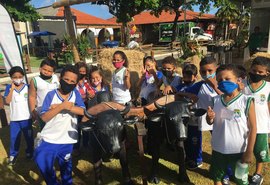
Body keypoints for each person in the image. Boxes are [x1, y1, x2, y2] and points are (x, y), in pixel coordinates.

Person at [34, 65, 85, 185]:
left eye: (73, 81)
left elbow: (82, 111)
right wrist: (61, 106)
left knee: (66, 166)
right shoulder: (51, 95)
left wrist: (65, 106)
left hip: (67, 139)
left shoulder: (75, 94)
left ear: (76, 83)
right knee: (41, 160)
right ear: (60, 78)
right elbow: (45, 117)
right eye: (66, 79)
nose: (69, 83)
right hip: (49, 138)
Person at [206, 64, 257, 185]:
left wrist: (249, 151)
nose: (223, 82)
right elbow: (210, 122)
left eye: (227, 79)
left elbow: (253, 128)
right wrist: (209, 118)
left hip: (238, 149)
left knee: (241, 180)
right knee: (217, 177)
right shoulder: (215, 100)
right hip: (218, 148)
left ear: (238, 80)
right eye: (219, 80)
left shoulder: (246, 100)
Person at [183, 56, 222, 170]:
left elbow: (228, 98)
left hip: (219, 118)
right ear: (200, 72)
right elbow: (183, 92)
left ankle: (222, 165)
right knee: (195, 138)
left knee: (219, 142)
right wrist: (190, 96)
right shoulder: (199, 85)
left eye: (210, 71)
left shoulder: (222, 84)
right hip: (202, 116)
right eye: (204, 71)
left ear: (216, 70)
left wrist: (215, 86)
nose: (207, 74)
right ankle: (196, 159)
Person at [242, 57, 270, 185]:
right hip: (243, 126)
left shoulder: (268, 87)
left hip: (262, 126)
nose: (256, 74)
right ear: (250, 69)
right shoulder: (242, 84)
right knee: (242, 149)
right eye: (254, 71)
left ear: (267, 73)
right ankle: (242, 170)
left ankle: (258, 173)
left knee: (260, 151)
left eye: (260, 72)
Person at [4, 66, 34, 165]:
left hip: (27, 118)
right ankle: (13, 155)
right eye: (15, 77)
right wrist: (12, 89)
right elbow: (7, 101)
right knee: (14, 138)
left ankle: (30, 152)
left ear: (23, 76)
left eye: (20, 76)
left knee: (29, 137)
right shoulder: (9, 87)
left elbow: (32, 101)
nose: (18, 79)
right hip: (14, 119)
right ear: (11, 78)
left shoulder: (28, 87)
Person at [29, 58, 59, 131]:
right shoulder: (35, 80)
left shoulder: (56, 78)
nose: (46, 72)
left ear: (53, 72)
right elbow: (32, 96)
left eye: (49, 71)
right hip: (43, 111)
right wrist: (33, 110)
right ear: (40, 68)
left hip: (57, 110)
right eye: (44, 69)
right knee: (45, 131)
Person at [73, 62, 91, 155]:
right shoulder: (73, 82)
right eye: (80, 71)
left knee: (85, 126)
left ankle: (86, 145)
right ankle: (76, 147)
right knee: (76, 128)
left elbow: (91, 92)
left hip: (86, 107)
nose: (82, 73)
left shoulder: (87, 82)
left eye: (84, 71)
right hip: (75, 108)